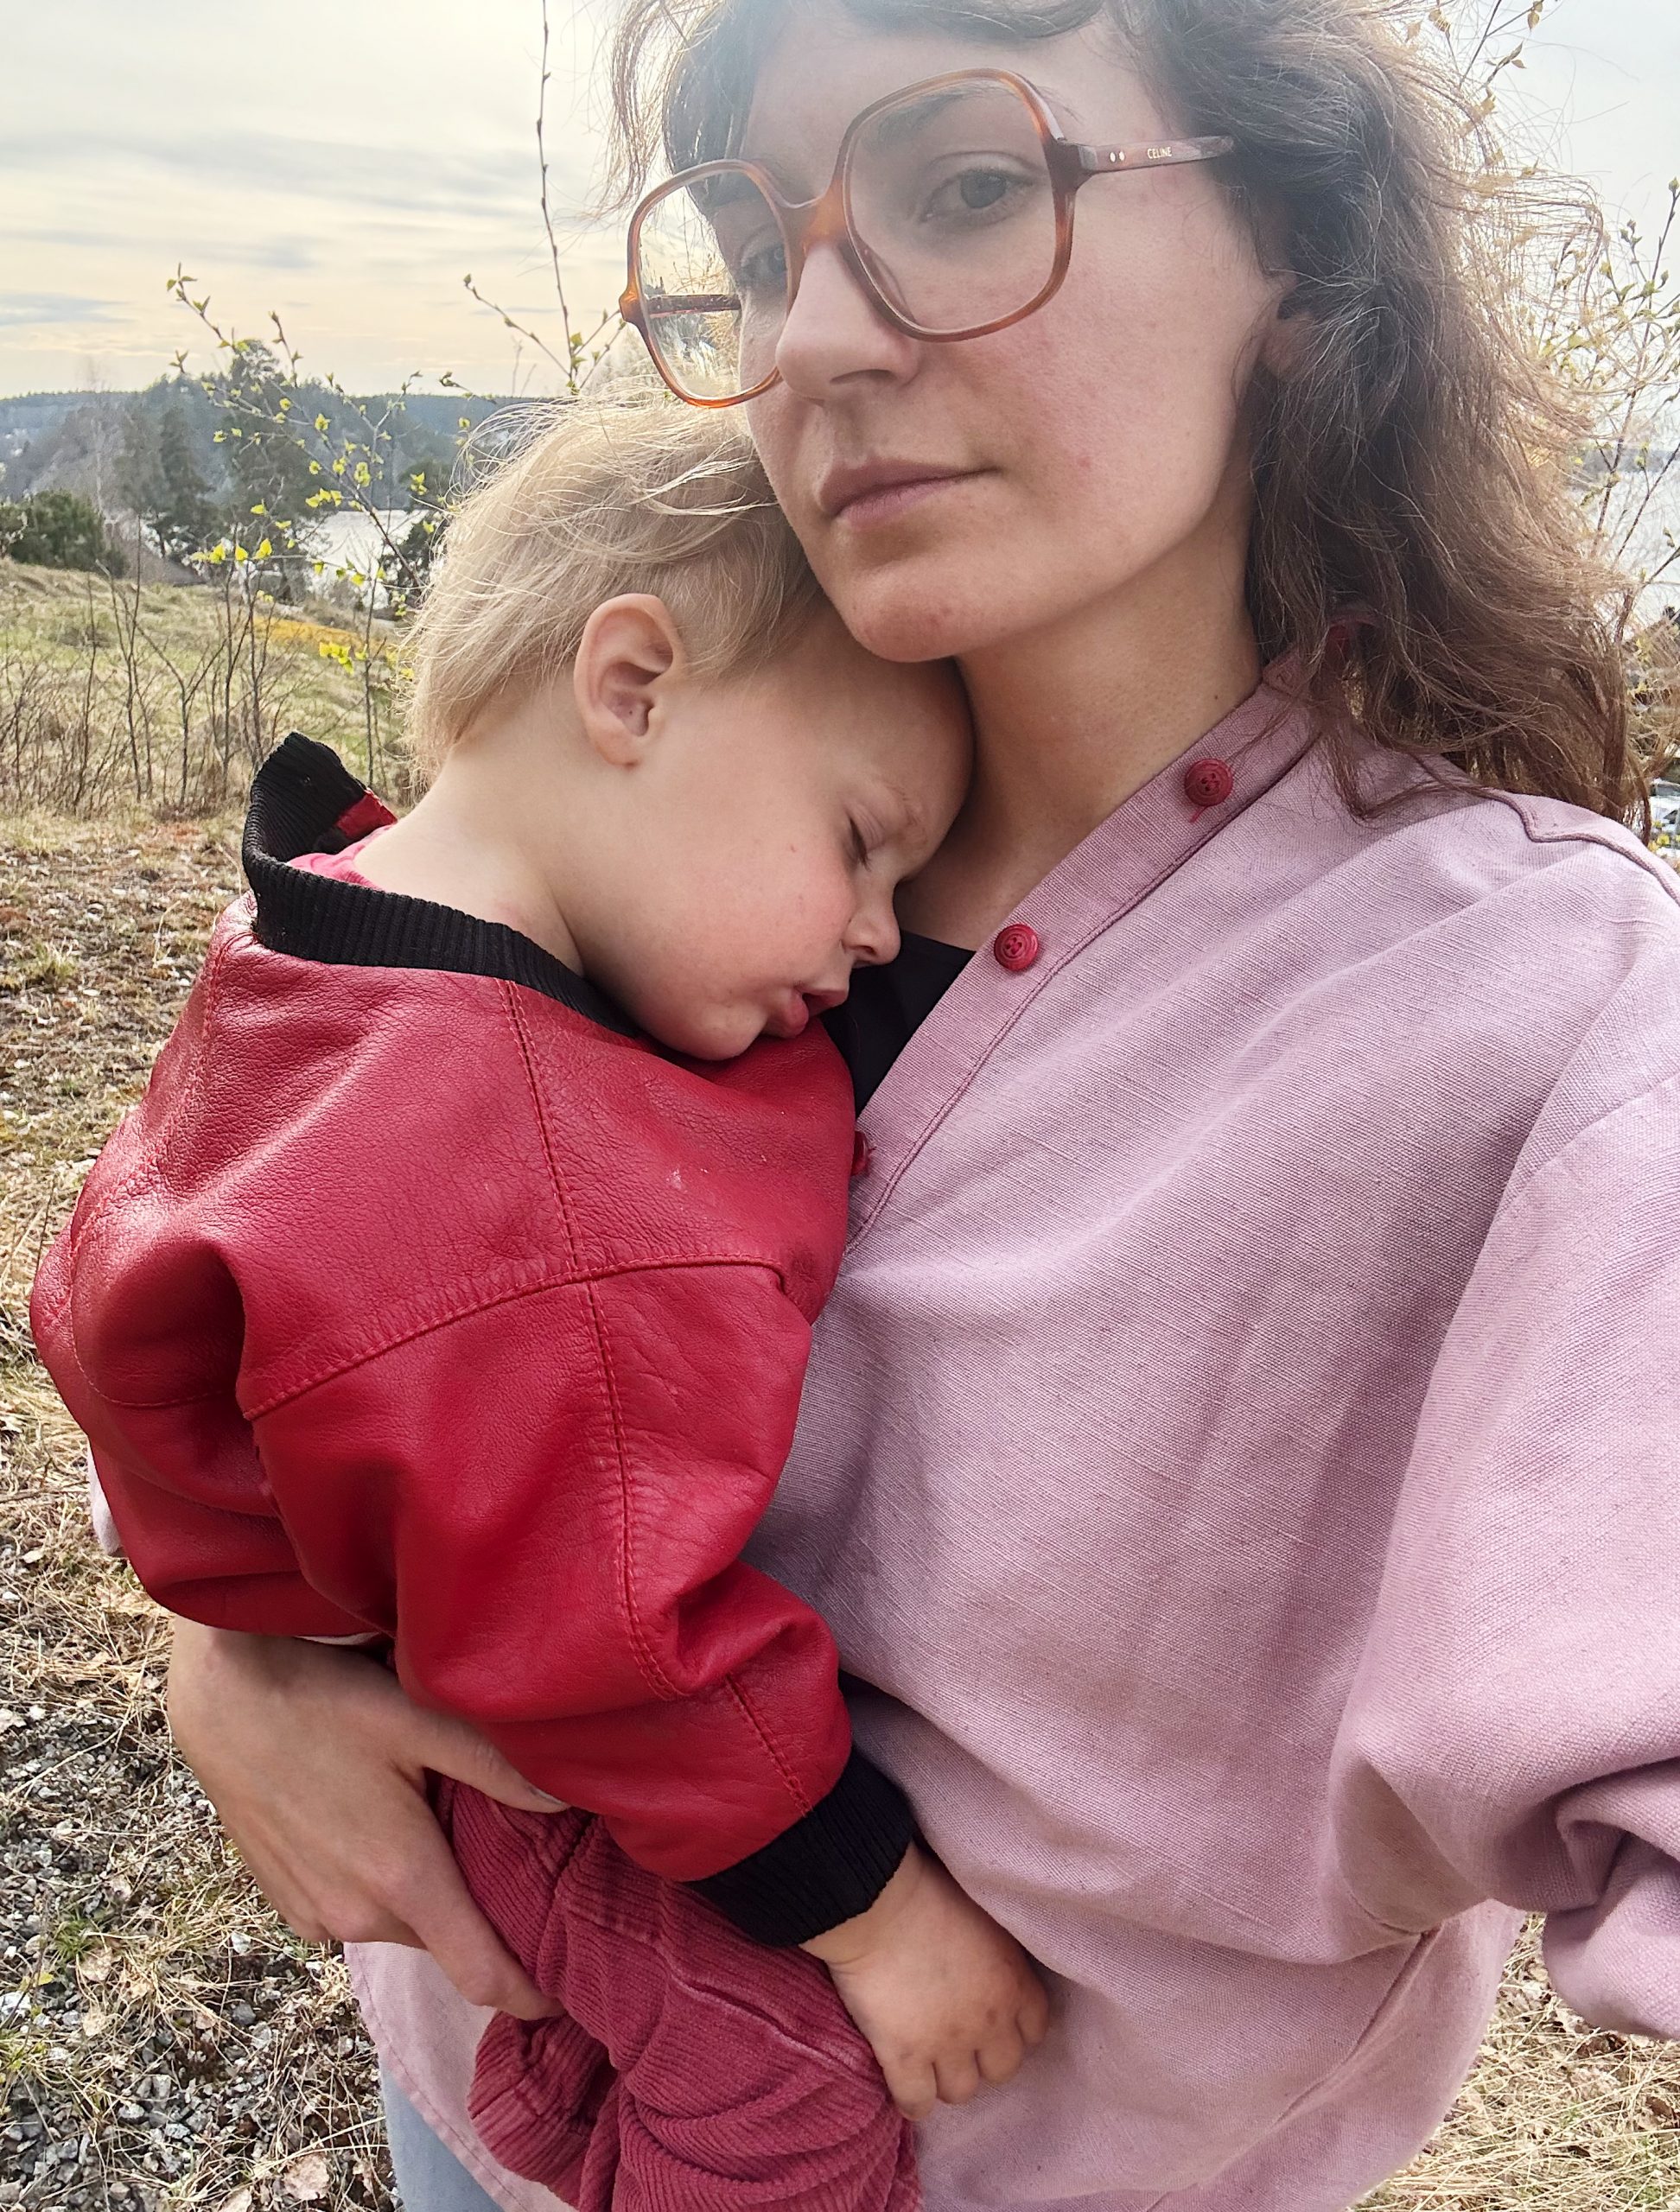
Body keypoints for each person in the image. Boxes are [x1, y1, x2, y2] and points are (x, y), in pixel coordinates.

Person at [156, 0, 1680, 2208]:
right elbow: (270, 1261)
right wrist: (236, 1649)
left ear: (1296, 244)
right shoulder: (657, 815)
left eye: (967, 188)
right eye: (756, 253)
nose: (811, 341)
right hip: (472, 2085)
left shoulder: (1546, 1009)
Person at [31, 406, 1050, 2199]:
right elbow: (619, 1649)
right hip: (502, 1731)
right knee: (792, 2094)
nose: (885, 932)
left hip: (376, 1638)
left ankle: (567, 2101)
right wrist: (878, 1913)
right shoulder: (522, 1187)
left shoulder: (327, 928)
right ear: (632, 689)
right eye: (861, 840)